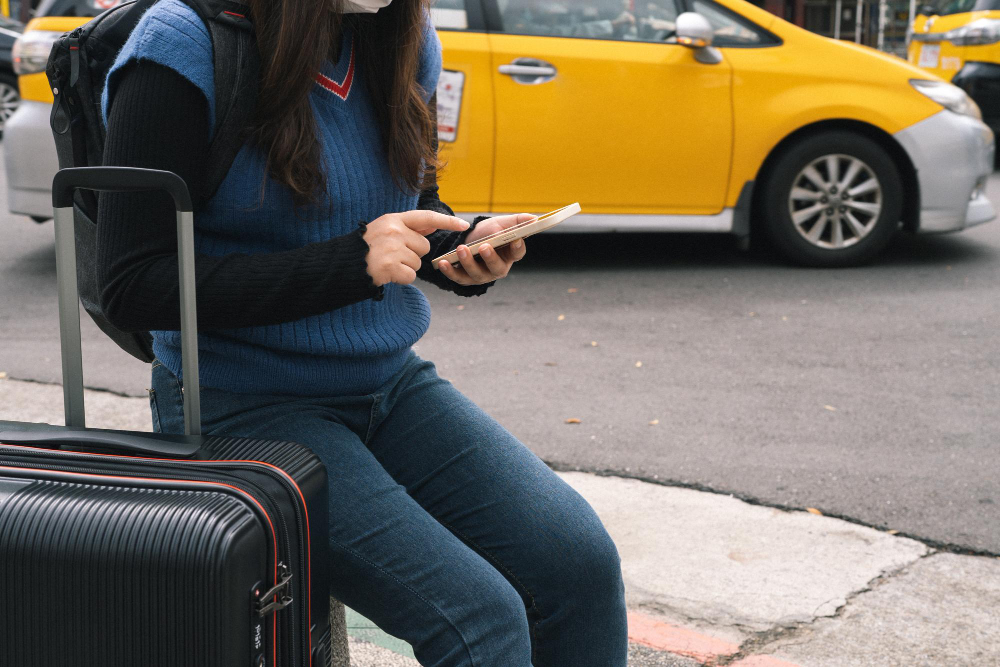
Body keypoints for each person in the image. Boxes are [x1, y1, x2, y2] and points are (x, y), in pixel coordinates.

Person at [95, 0, 628, 664]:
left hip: (390, 388)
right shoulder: (183, 45)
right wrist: (349, 263)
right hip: (239, 402)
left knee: (581, 563)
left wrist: (462, 245)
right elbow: (130, 281)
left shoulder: (402, 36)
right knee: (482, 620)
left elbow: (412, 206)